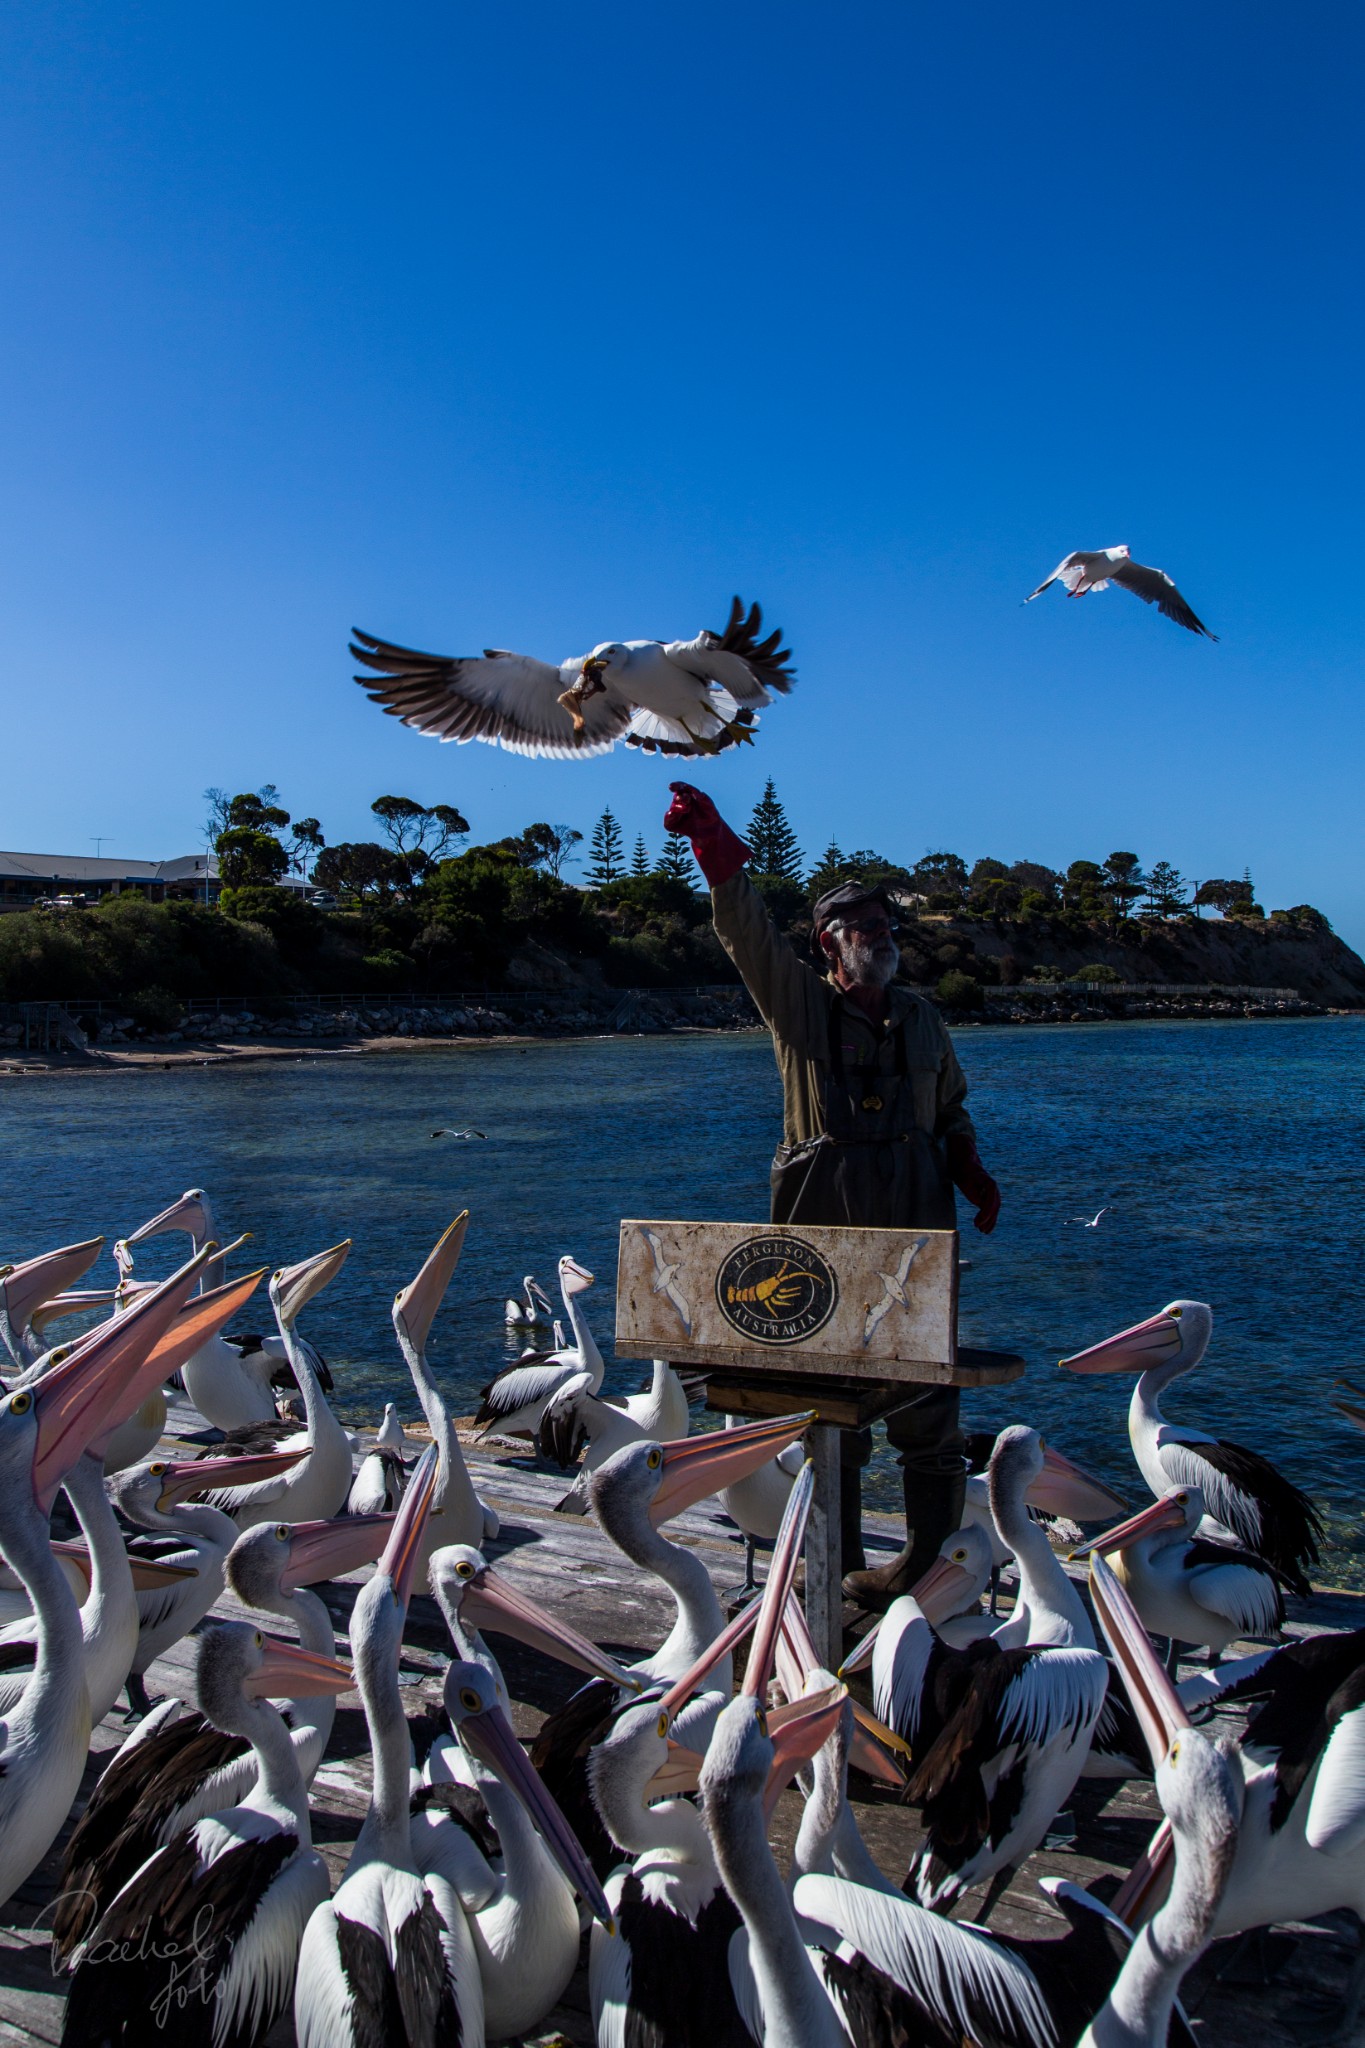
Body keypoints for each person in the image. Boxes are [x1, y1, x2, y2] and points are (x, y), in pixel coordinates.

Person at [663, 781, 1001, 1612]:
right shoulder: (800, 1010)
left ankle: (918, 1567)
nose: (882, 941)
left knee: (930, 1400)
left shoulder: (922, 1019)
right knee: (831, 1401)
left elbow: (951, 1104)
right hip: (825, 1216)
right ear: (828, 945)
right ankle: (841, 1570)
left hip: (919, 1217)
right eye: (863, 931)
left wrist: (969, 1166)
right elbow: (747, 939)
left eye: (887, 929)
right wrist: (715, 851)